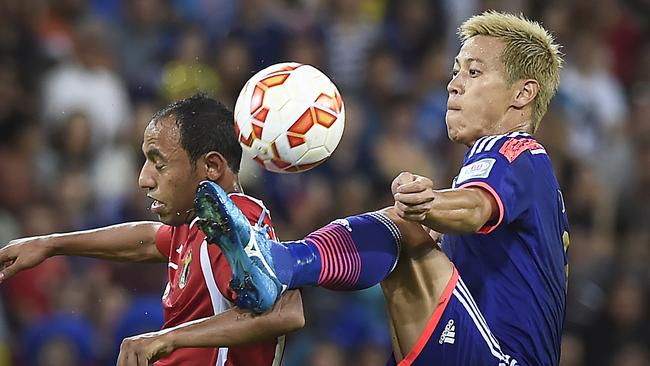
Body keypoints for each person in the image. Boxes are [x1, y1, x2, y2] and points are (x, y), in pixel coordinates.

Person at [195, 11, 568, 366]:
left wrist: (427, 204)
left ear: (522, 94)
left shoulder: (518, 151)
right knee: (409, 235)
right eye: (456, 72)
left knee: (404, 226)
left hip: (500, 358)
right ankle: (278, 264)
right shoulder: (511, 171)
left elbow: (475, 209)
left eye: (474, 72)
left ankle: (280, 263)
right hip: (475, 345)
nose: (454, 84)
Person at [0, 94, 305, 365]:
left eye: (158, 165)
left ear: (211, 167)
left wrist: (166, 338)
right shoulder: (195, 222)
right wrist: (50, 245)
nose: (144, 179)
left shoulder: (238, 220)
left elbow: (284, 313)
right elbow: (146, 240)